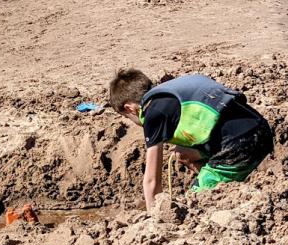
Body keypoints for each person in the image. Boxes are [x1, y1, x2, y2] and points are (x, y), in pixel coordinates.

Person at [108, 69, 275, 210]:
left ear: (129, 108)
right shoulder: (170, 93)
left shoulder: (152, 113)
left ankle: (234, 194)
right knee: (183, 153)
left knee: (196, 205)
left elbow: (152, 181)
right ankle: (226, 186)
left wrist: (154, 217)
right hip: (260, 128)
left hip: (240, 145)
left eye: (127, 117)